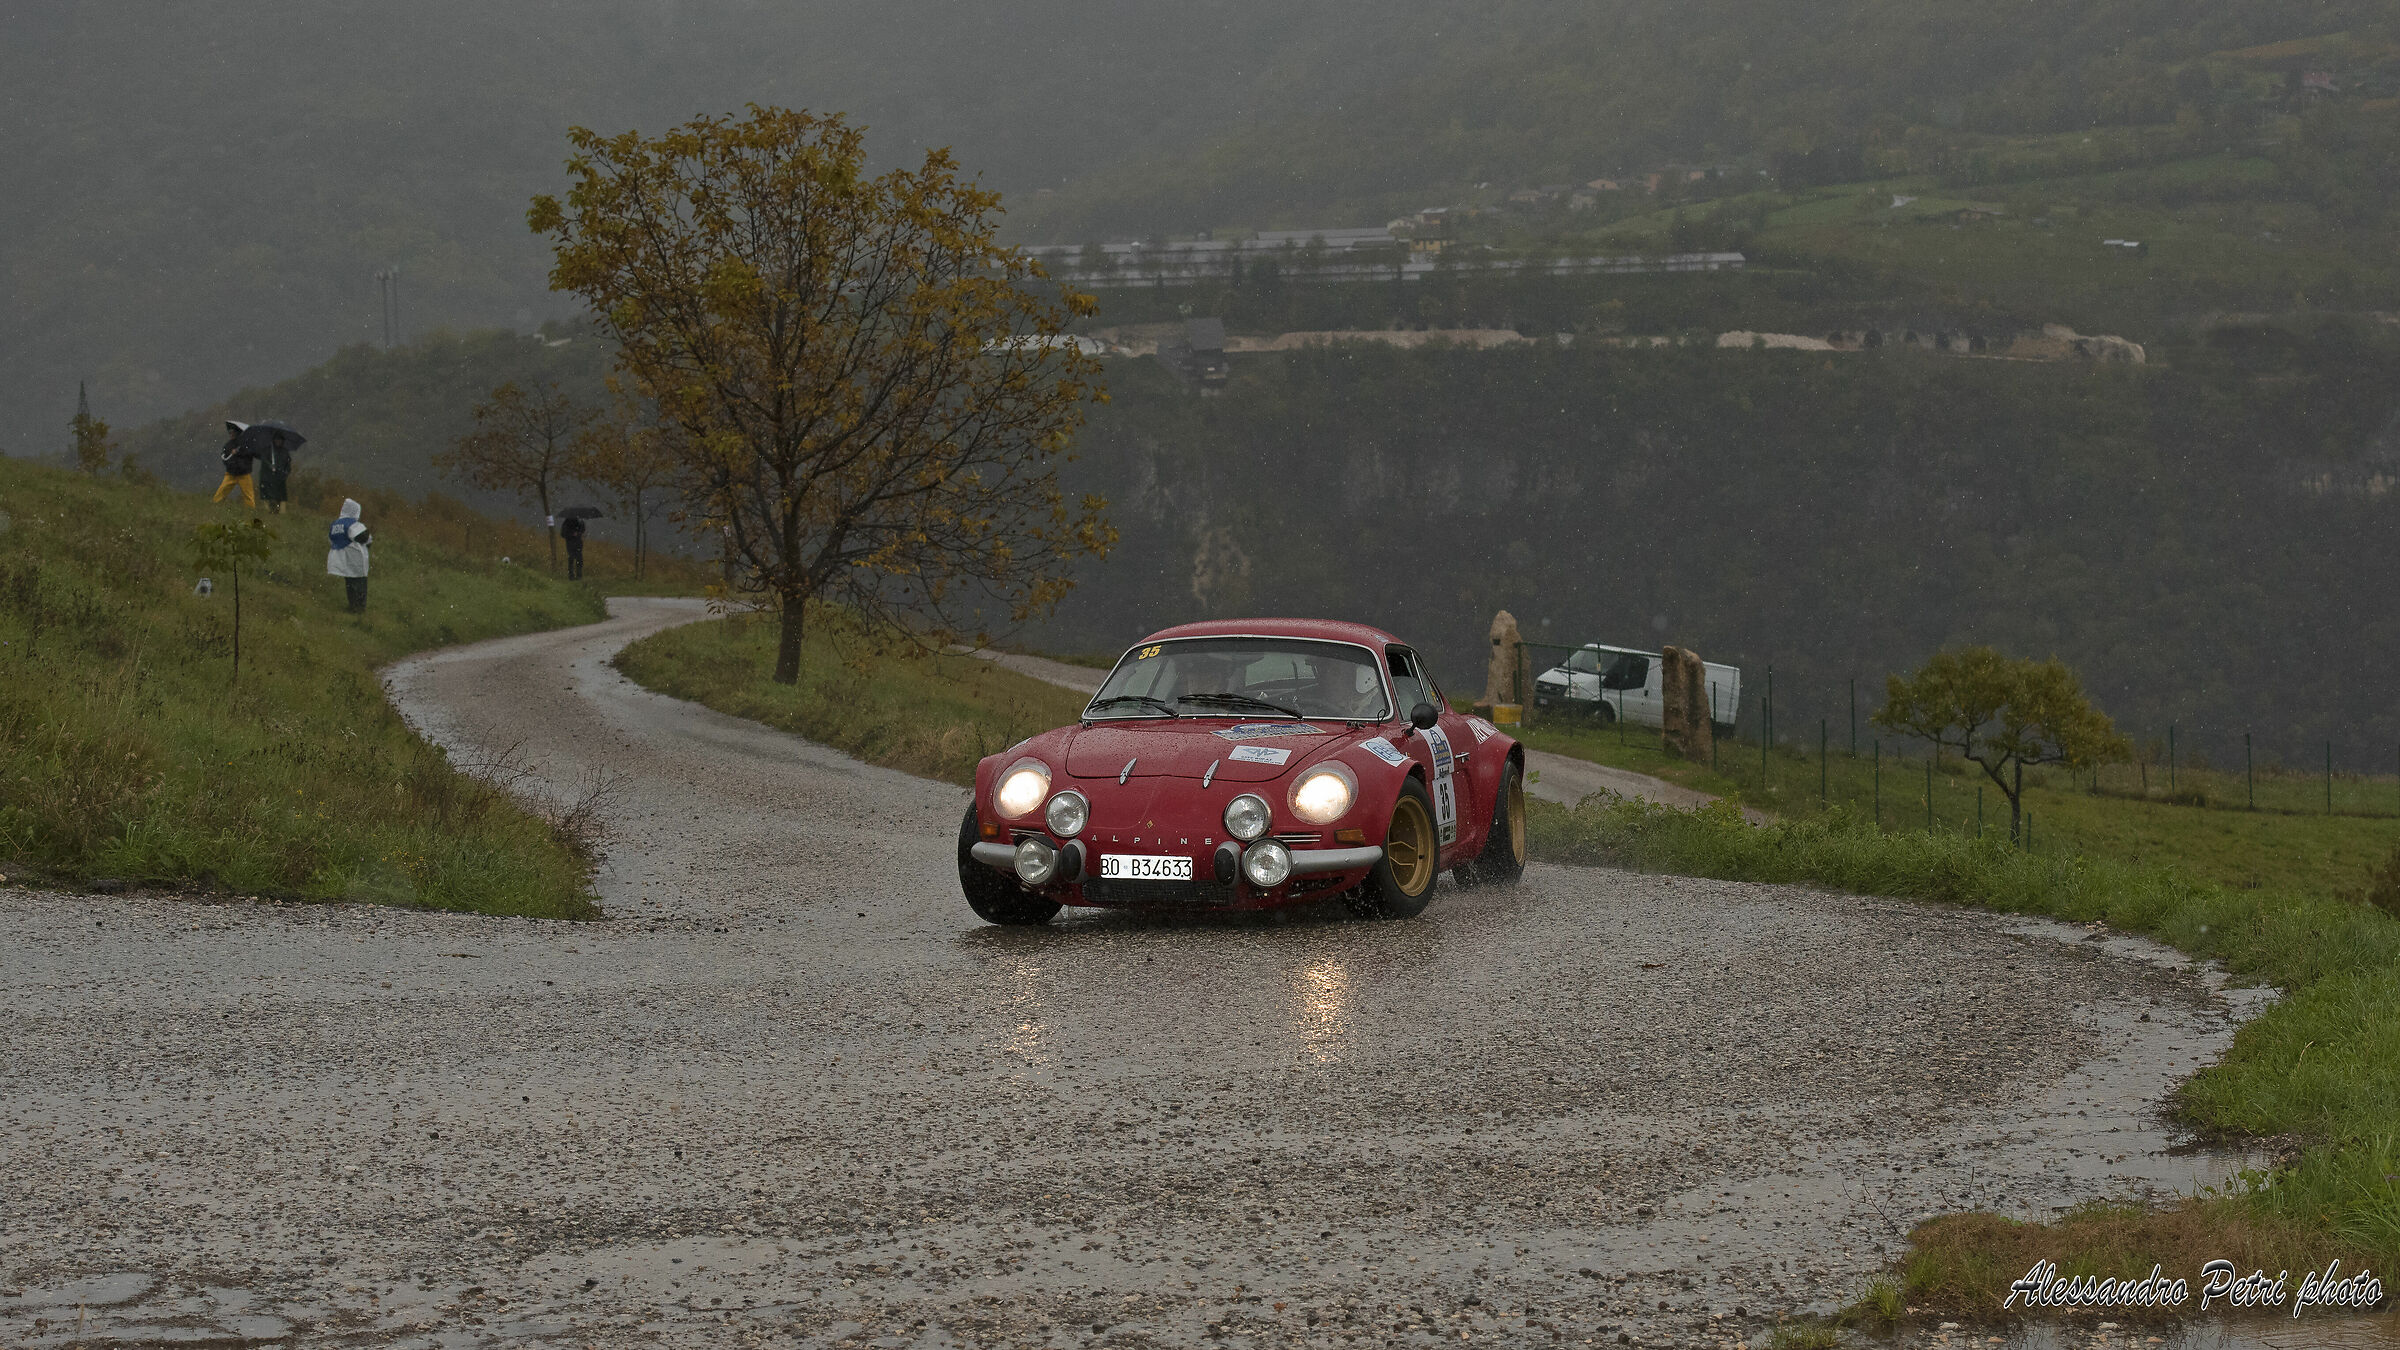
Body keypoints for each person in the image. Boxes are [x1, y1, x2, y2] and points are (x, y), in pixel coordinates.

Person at [327, 498, 371, 613]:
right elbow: (364, 537)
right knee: (360, 584)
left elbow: (331, 540)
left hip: (343, 560)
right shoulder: (352, 524)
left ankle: (352, 606)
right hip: (356, 559)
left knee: (349, 584)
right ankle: (359, 608)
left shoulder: (335, 524)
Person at [214, 430, 258, 507]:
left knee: (248, 495)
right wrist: (231, 460)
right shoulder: (228, 445)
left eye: (233, 432)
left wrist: (238, 453)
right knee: (221, 492)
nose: (232, 434)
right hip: (231, 474)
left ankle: (250, 511)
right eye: (230, 433)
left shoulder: (245, 445)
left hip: (244, 474)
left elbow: (250, 455)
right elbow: (225, 458)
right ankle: (214, 506)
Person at [256, 429, 293, 514]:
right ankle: (269, 513)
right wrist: (270, 466)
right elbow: (264, 461)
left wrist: (284, 474)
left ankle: (278, 513)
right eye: (276, 439)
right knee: (269, 498)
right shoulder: (267, 450)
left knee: (279, 499)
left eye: (280, 439)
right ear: (273, 440)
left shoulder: (285, 452)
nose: (278, 441)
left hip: (280, 480)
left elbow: (288, 466)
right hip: (268, 480)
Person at [560, 512, 587, 580]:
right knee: (571, 559)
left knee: (579, 560)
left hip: (578, 544)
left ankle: (579, 576)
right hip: (570, 544)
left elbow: (582, 530)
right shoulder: (567, 522)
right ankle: (571, 576)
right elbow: (563, 534)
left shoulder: (580, 521)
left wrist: (580, 529)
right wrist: (572, 534)